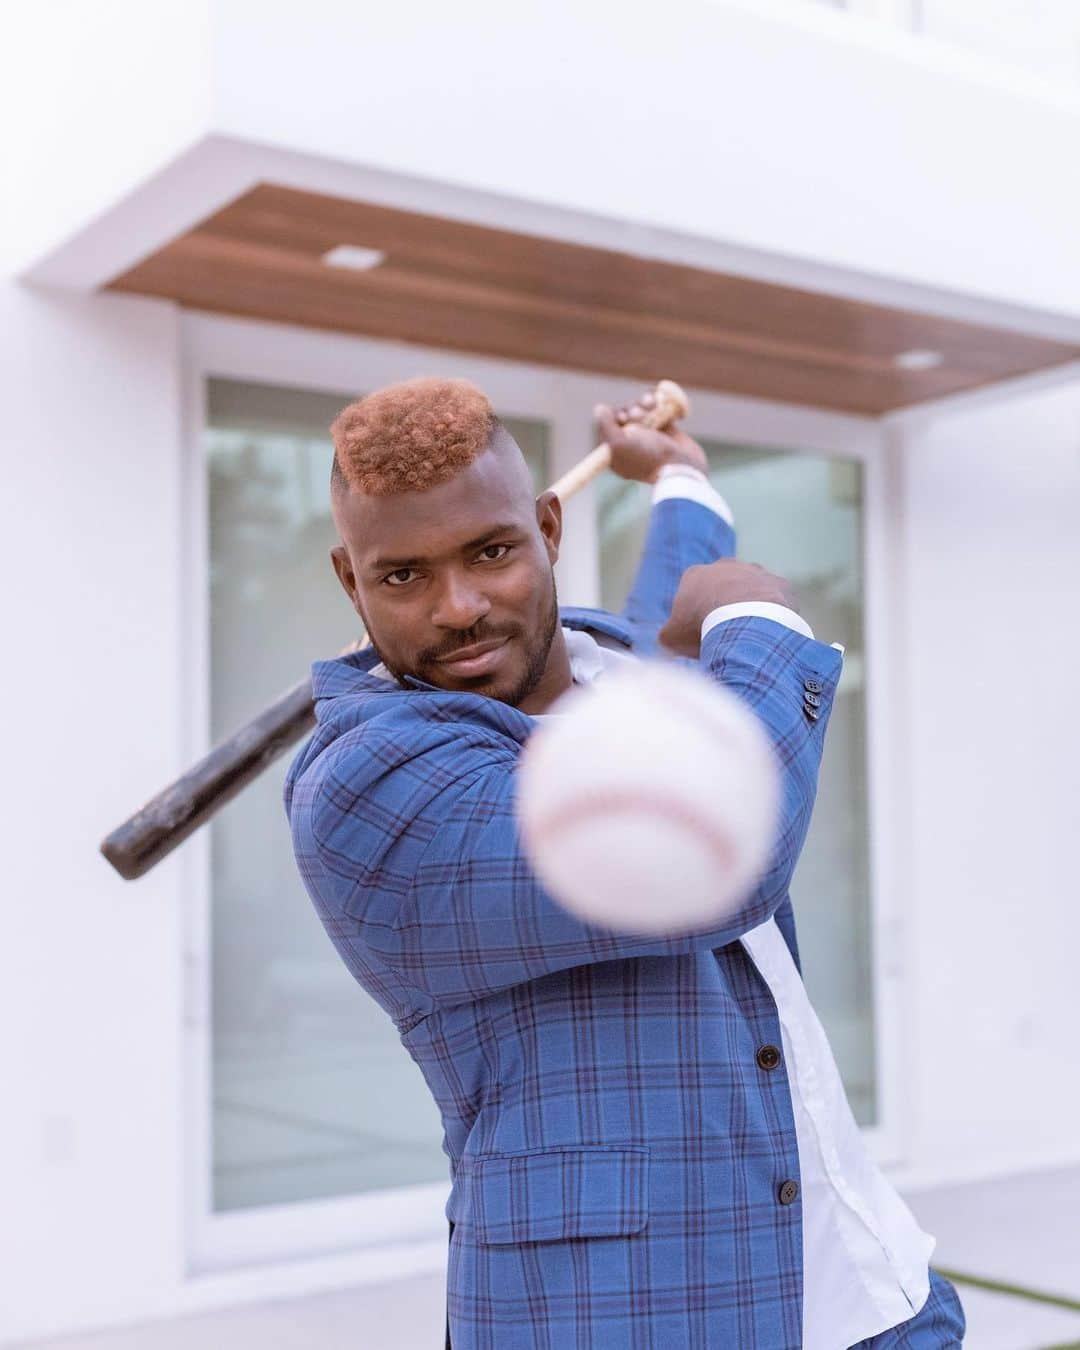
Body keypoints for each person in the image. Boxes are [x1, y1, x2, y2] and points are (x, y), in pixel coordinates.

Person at [283, 377, 965, 1348]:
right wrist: (759, 619)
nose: (460, 607)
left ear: (550, 530)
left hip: (878, 1299)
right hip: (637, 1319)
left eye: (492, 551)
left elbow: (665, 607)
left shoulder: (615, 672)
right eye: (404, 577)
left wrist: (678, 476)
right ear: (350, 582)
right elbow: (722, 850)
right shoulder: (371, 790)